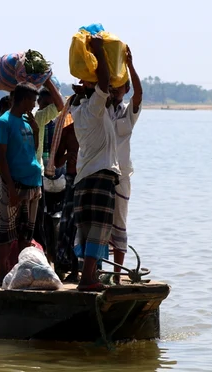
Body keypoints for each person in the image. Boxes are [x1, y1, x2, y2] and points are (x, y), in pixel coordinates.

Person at [71, 36, 121, 292]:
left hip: (83, 178)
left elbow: (100, 90)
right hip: (101, 175)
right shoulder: (92, 109)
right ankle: (87, 279)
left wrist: (85, 90)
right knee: (98, 230)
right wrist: (101, 53)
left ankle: (87, 276)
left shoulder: (78, 111)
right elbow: (103, 82)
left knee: (88, 229)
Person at [0, 82, 43, 283]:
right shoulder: (4, 123)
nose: (34, 104)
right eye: (32, 100)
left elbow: (33, 149)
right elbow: (1, 158)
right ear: (23, 100)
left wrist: (36, 130)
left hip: (33, 183)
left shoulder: (27, 121)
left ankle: (19, 274)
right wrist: (11, 189)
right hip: (15, 184)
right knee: (6, 231)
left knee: (26, 233)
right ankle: (1, 275)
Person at [108, 46, 143, 283]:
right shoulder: (99, 107)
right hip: (100, 172)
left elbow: (139, 96)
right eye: (110, 87)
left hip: (121, 176)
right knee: (97, 225)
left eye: (117, 86)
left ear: (125, 88)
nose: (113, 90)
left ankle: (117, 276)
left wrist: (130, 64)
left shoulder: (128, 112)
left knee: (119, 225)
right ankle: (94, 271)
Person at [31, 79, 64, 255]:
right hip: (30, 176)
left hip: (43, 174)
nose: (46, 109)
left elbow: (60, 105)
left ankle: (44, 255)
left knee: (38, 222)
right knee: (32, 222)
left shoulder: (42, 118)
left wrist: (47, 80)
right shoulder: (33, 118)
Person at [54, 110, 80, 282]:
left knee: (82, 225)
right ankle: (72, 269)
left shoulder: (93, 128)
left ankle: (84, 270)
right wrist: (67, 157)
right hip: (72, 179)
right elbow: (56, 161)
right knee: (69, 226)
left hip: (87, 177)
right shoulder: (68, 131)